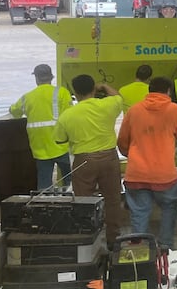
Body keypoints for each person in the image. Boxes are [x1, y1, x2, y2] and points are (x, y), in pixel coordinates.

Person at [117, 76, 177, 251]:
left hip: (136, 174)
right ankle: (165, 248)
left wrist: (132, 155)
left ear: (149, 91)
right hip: (164, 175)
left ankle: (139, 251)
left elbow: (122, 142)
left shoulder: (134, 111)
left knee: (139, 213)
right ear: (168, 91)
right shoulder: (174, 110)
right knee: (168, 209)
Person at [53, 74, 124, 246]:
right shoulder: (108, 104)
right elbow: (118, 97)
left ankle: (87, 241)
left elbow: (59, 140)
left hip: (83, 161)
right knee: (113, 200)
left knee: (83, 202)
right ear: (94, 88)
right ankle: (113, 240)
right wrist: (103, 87)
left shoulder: (67, 115)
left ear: (74, 93)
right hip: (109, 158)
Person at [9, 63, 73, 191]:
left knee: (44, 181)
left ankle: (45, 203)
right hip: (60, 143)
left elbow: (14, 112)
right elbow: (70, 116)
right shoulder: (62, 93)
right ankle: (71, 197)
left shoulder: (27, 97)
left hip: (40, 145)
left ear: (36, 78)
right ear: (51, 77)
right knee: (69, 177)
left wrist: (11, 108)